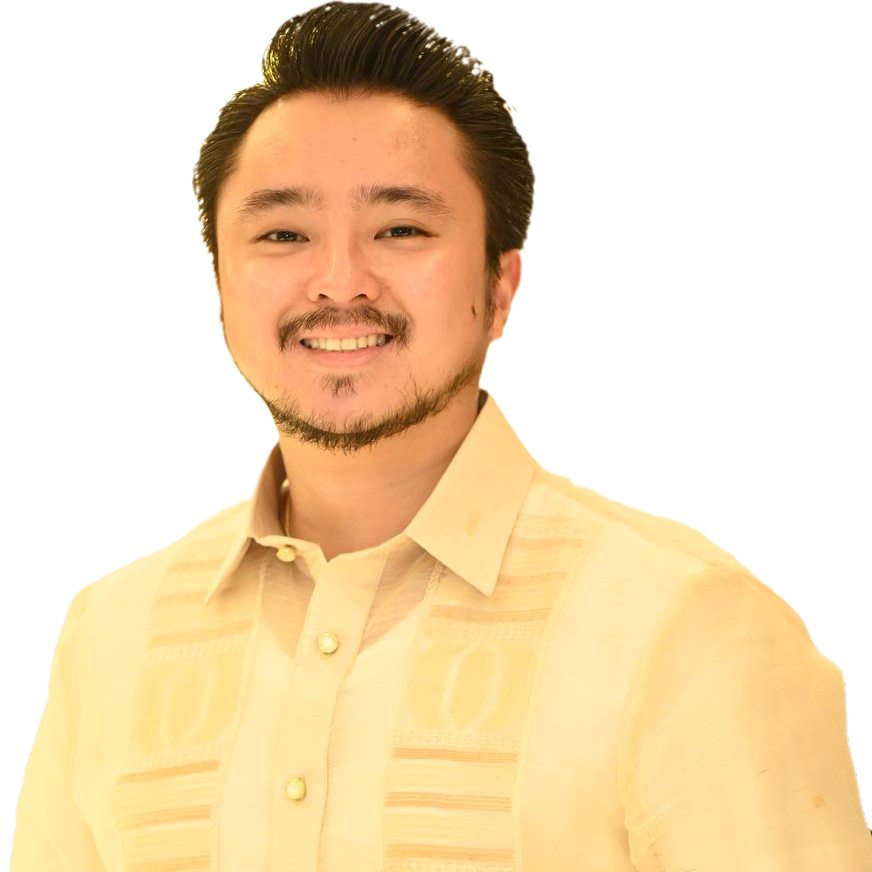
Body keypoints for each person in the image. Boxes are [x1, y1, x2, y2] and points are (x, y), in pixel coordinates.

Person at [12, 3, 871, 870]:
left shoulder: (685, 624)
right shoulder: (110, 635)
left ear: (501, 286)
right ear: (220, 283)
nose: (339, 281)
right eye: (283, 234)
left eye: (401, 230)